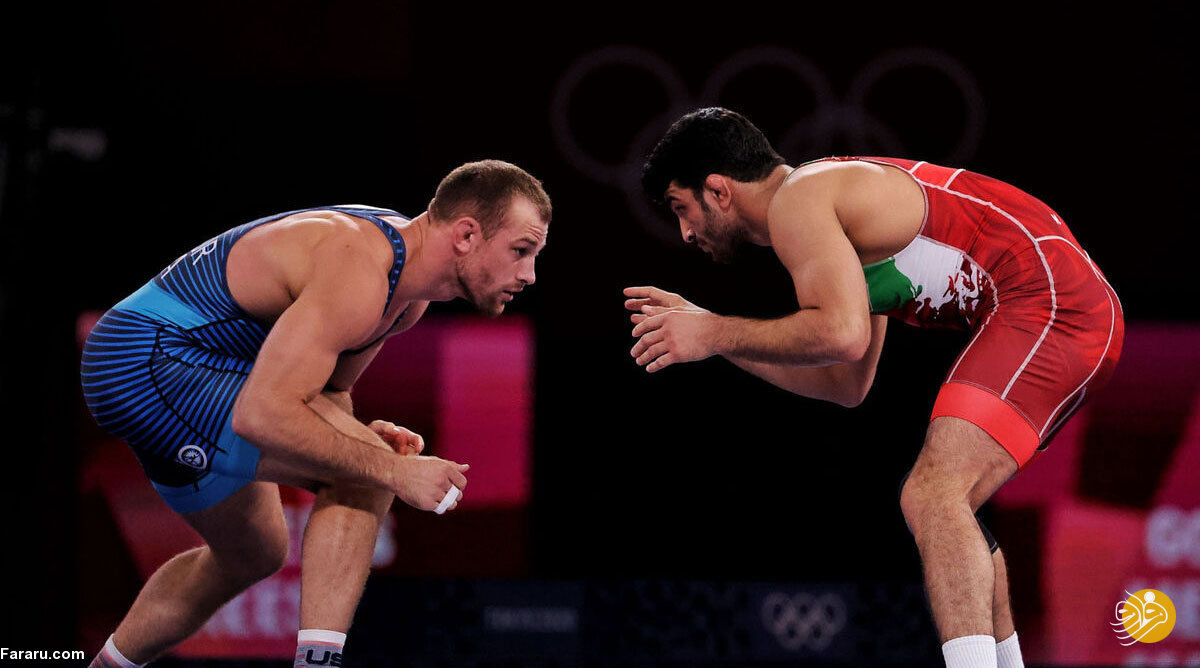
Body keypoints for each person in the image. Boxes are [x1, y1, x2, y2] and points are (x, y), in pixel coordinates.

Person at [626, 108, 1122, 668]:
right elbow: (845, 381)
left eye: (680, 208)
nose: (685, 232)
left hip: (1052, 304)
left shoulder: (799, 199)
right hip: (1070, 309)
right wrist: (719, 341)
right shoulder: (836, 213)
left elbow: (839, 333)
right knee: (952, 507)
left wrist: (712, 329)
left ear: (718, 190)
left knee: (933, 494)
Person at [82, 160, 552, 668]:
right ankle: (318, 665)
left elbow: (322, 392)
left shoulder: (407, 293)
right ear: (466, 234)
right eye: (521, 252)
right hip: (145, 363)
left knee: (255, 553)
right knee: (368, 474)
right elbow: (262, 414)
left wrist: (356, 435)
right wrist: (391, 468)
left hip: (191, 367)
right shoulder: (360, 265)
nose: (528, 274)